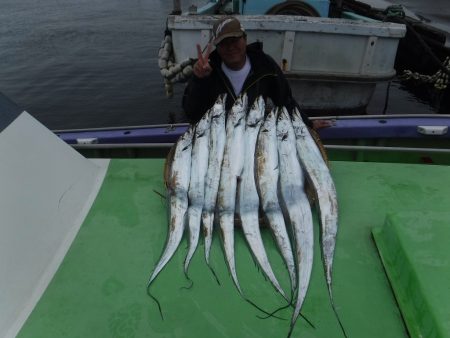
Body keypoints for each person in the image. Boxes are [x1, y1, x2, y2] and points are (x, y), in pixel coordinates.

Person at [182, 16, 332, 130]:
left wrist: (308, 123)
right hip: (218, 139)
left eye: (235, 40)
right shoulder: (207, 71)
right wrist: (199, 80)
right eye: (224, 43)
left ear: (245, 39)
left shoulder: (265, 66)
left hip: (254, 137)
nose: (230, 47)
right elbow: (192, 114)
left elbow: (285, 100)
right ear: (217, 46)